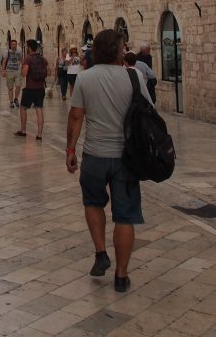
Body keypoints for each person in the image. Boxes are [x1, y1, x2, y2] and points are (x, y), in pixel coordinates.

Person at [66, 29, 151, 291]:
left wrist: (70, 151)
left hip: (94, 155)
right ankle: (122, 276)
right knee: (125, 217)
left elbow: (76, 116)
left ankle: (101, 252)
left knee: (92, 203)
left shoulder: (85, 78)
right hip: (126, 158)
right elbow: (148, 112)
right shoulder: (134, 76)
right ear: (118, 50)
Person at [15, 40, 50, 140]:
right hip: (41, 88)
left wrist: (22, 70)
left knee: (23, 108)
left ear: (29, 48)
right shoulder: (43, 59)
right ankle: (39, 135)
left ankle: (23, 130)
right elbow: (49, 72)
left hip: (30, 88)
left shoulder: (28, 59)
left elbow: (24, 73)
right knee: (39, 110)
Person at [3, 40, 22, 108]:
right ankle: (11, 102)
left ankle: (16, 98)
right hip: (9, 71)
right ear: (10, 45)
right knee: (10, 88)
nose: (14, 45)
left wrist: (21, 68)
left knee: (18, 85)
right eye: (13, 44)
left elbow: (20, 59)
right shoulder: (6, 52)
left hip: (17, 71)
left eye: (15, 44)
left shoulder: (19, 51)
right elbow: (4, 61)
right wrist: (3, 70)